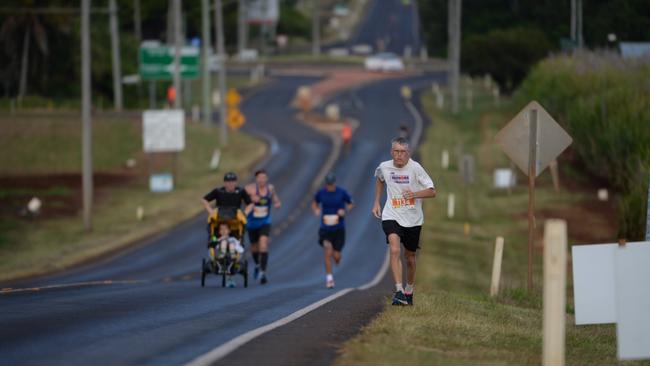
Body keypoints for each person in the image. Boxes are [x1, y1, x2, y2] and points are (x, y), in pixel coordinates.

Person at [372, 137, 436, 306]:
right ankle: (399, 291)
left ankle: (409, 289)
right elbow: (379, 178)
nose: (399, 155)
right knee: (394, 249)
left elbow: (432, 192)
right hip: (391, 214)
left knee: (410, 257)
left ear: (408, 153)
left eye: (402, 152)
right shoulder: (385, 167)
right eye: (396, 151)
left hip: (413, 218)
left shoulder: (415, 168)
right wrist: (377, 201)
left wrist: (414, 194)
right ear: (391, 152)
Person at [312, 172, 354, 288]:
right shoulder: (321, 193)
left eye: (331, 184)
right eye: (328, 184)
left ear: (334, 183)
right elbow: (315, 203)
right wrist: (316, 210)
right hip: (325, 229)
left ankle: (337, 259)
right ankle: (329, 279)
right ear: (326, 184)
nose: (329, 186)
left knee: (336, 255)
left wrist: (344, 211)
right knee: (328, 251)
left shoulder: (341, 192)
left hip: (338, 229)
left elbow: (351, 203)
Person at [245, 169, 282, 285]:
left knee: (263, 244)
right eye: (259, 178)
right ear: (256, 179)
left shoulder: (270, 189)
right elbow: (242, 200)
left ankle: (263, 272)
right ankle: (257, 264)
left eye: (264, 178)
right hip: (252, 223)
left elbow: (275, 198)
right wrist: (251, 199)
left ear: (266, 179)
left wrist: (277, 203)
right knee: (254, 247)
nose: (262, 180)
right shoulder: (249, 189)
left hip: (265, 222)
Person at [202, 171, 253, 241]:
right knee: (212, 234)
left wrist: (245, 213)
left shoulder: (240, 191)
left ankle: (238, 245)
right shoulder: (218, 191)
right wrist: (211, 211)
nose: (230, 184)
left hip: (235, 220)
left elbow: (250, 203)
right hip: (220, 219)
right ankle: (213, 245)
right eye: (228, 182)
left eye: (233, 181)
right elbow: (204, 200)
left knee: (242, 228)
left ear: (236, 182)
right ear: (224, 183)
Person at [210, 222, 245, 287]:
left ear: (229, 230)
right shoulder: (217, 238)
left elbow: (239, 247)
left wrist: (237, 249)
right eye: (221, 229)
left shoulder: (233, 238)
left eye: (225, 229)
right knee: (224, 242)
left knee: (231, 243)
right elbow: (212, 244)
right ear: (219, 231)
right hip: (220, 252)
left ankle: (232, 255)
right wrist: (219, 239)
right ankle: (222, 254)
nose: (223, 231)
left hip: (231, 254)